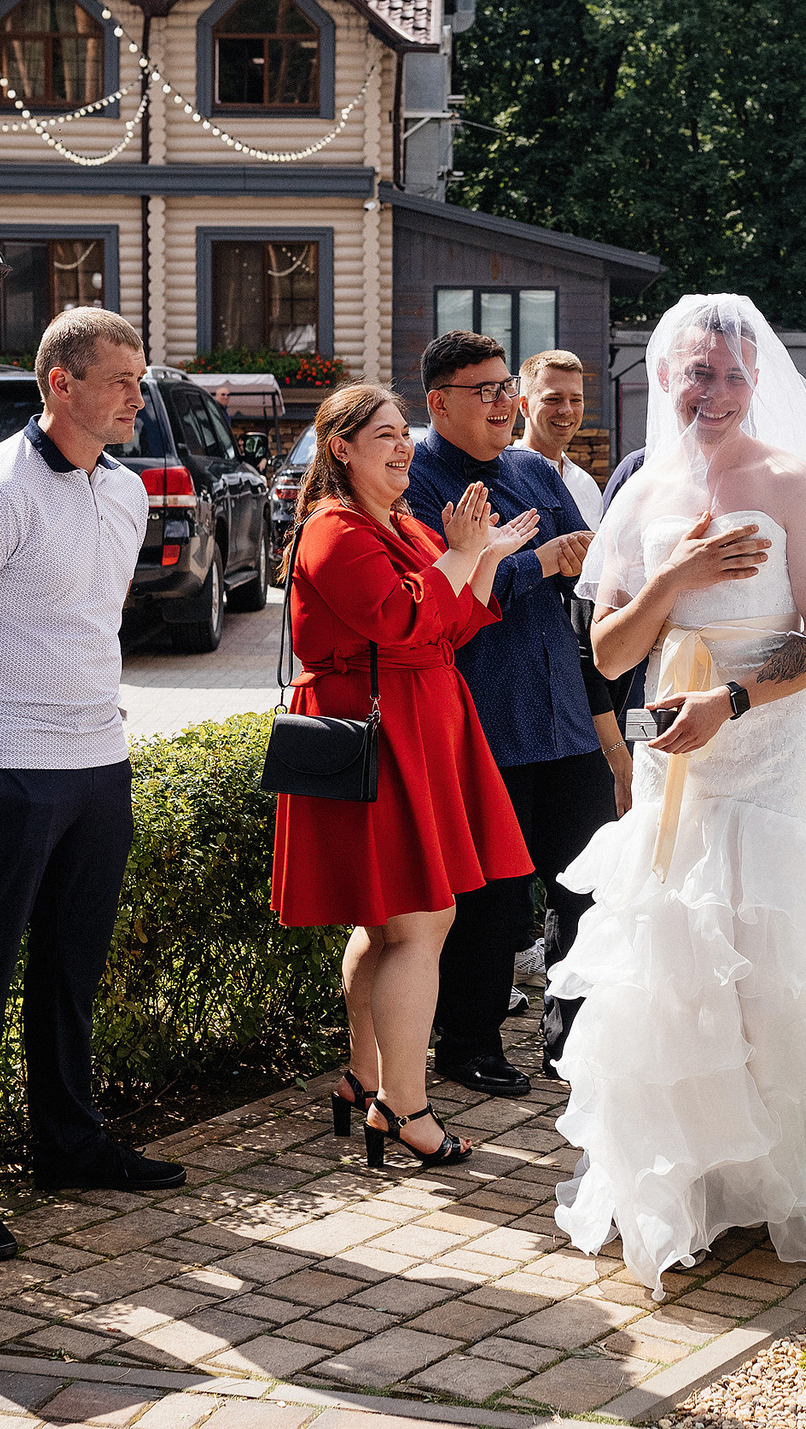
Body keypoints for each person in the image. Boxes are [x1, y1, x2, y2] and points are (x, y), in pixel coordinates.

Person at [549, 292, 806, 1296]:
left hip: (761, 734)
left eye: (732, 373)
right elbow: (611, 648)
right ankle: (684, 1175)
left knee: (757, 949)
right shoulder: (640, 493)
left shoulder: (791, 482)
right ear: (667, 375)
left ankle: (769, 1174)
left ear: (760, 382)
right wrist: (676, 578)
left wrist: (735, 697)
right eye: (696, 371)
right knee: (670, 944)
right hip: (672, 745)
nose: (712, 391)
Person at [0, 307, 180, 1262]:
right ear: (61, 383)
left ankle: (69, 1143)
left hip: (99, 759)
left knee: (69, 974)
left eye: (141, 378)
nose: (138, 394)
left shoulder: (130, 492)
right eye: (120, 379)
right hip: (1, 762)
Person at [272, 382, 540, 1166]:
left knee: (390, 923)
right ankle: (403, 1104)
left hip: (421, 720)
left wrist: (482, 558)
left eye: (403, 434)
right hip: (382, 730)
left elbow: (453, 619)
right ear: (341, 448)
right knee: (420, 922)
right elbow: (398, 619)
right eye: (383, 434)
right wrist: (462, 557)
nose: (401, 447)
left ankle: (363, 1081)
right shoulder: (333, 530)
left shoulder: (404, 523)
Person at [403, 330, 616, 1091]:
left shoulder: (530, 468)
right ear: (438, 403)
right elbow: (445, 591)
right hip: (484, 719)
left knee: (586, 888)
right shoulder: (418, 478)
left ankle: (575, 1041)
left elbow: (581, 568)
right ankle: (467, 1044)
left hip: (561, 714)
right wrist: (536, 561)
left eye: (504, 389)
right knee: (489, 900)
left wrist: (581, 559)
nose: (504, 403)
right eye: (484, 390)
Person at [514, 349, 606, 529]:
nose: (567, 410)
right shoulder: (503, 479)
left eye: (576, 400)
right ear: (524, 406)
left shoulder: (586, 484)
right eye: (553, 399)